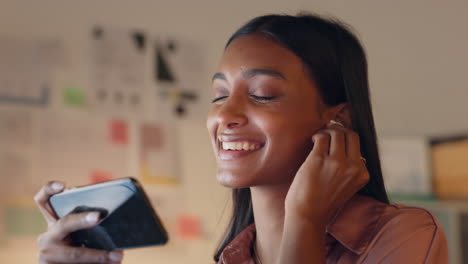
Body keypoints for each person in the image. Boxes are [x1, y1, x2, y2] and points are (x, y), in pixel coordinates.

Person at [35, 13, 448, 264]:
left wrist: (303, 220)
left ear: (337, 120)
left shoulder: (403, 236)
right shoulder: (234, 255)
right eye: (218, 95)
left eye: (262, 94)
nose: (224, 115)